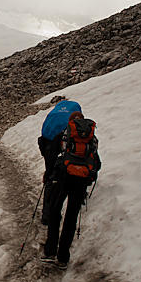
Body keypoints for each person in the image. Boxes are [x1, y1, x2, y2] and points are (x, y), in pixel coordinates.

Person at [38, 100, 100, 269]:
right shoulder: (91, 138)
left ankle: (50, 251)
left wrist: (49, 174)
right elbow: (97, 163)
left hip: (63, 179)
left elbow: (53, 157)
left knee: (55, 211)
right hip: (80, 182)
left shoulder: (65, 134)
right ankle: (63, 258)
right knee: (71, 217)